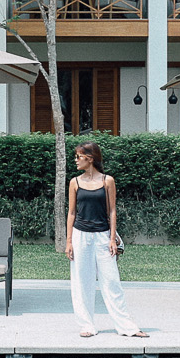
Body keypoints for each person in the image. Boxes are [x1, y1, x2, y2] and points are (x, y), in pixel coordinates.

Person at [66, 142, 147, 338]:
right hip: (80, 236)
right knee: (81, 283)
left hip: (103, 236)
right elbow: (71, 213)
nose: (76, 160)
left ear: (90, 158)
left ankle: (127, 327)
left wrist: (112, 239)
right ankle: (87, 325)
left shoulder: (107, 181)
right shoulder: (74, 182)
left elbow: (112, 211)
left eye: (79, 156)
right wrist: (68, 242)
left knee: (112, 282)